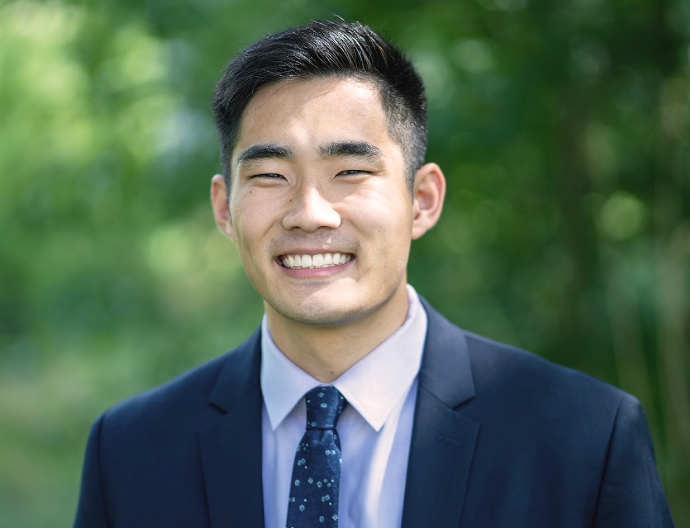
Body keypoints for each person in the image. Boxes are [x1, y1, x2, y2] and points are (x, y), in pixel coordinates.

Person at [73, 20, 674, 528]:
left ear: (422, 200)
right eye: (269, 176)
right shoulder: (129, 453)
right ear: (224, 208)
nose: (310, 212)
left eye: (350, 172)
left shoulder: (583, 440)